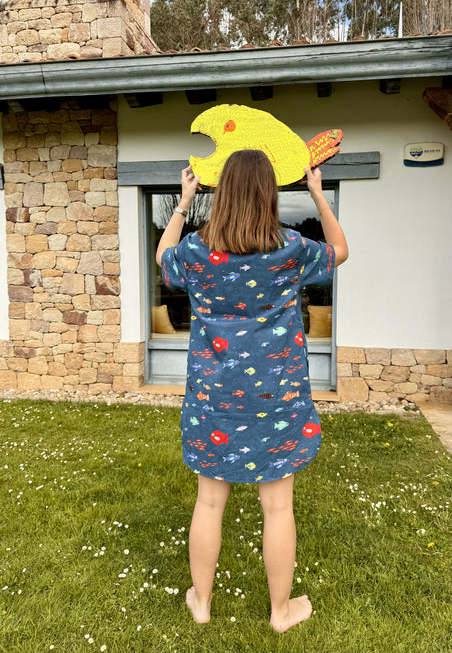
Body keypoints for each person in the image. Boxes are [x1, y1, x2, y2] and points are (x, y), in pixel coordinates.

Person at [156, 149, 348, 633]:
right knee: (277, 506)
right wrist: (320, 199)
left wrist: (182, 204)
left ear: (221, 193)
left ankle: (201, 601)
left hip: (212, 399)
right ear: (268, 193)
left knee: (209, 502)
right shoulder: (290, 248)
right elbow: (340, 251)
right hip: (276, 400)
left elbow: (162, 259)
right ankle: (280, 613)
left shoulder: (197, 252)